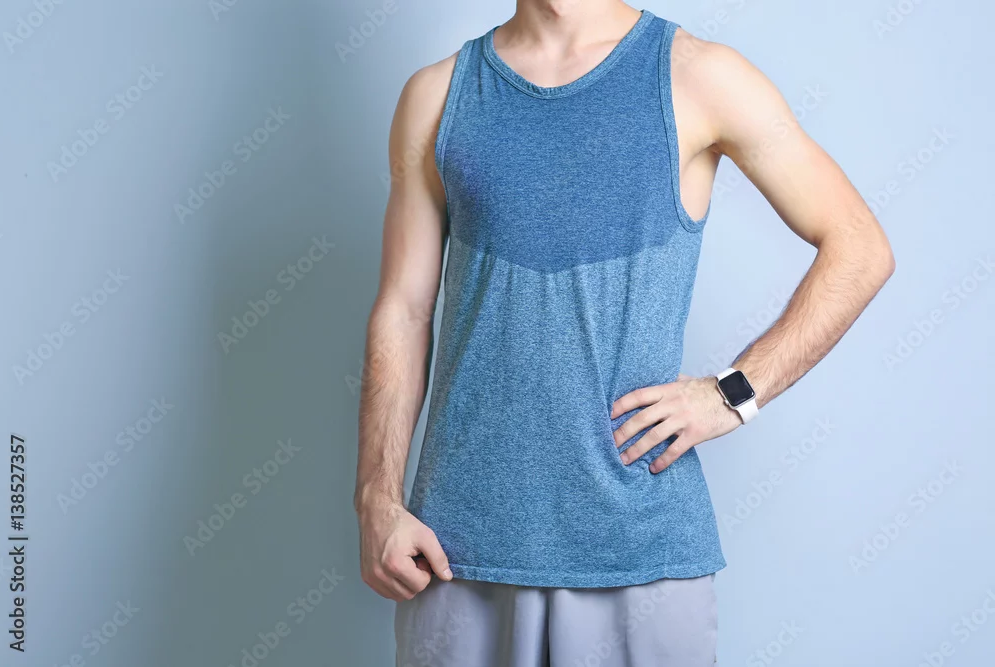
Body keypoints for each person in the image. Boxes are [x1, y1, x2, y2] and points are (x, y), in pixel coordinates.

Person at [355, 1, 894, 664]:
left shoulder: (699, 76)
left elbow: (859, 247)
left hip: (640, 554)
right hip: (454, 553)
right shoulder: (437, 95)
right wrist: (375, 497)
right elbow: (403, 310)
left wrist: (732, 394)